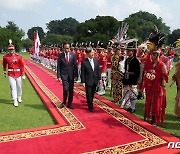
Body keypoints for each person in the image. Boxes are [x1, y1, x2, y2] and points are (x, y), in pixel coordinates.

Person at [143, 30, 168, 126]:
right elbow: (146, 64)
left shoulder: (162, 65)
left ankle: (156, 120)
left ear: (158, 55)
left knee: (157, 105)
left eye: (155, 54)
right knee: (149, 102)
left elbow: (163, 78)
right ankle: (149, 118)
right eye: (152, 54)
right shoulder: (151, 64)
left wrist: (162, 89)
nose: (153, 56)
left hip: (158, 87)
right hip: (150, 87)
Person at [121, 41, 140, 113]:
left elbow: (137, 72)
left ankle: (132, 107)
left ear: (133, 51)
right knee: (126, 93)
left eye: (129, 51)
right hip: (127, 79)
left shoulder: (136, 61)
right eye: (127, 51)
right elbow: (125, 70)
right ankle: (127, 106)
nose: (128, 52)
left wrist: (134, 80)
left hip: (133, 80)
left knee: (133, 95)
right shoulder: (127, 60)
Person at [57, 43, 78, 109]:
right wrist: (59, 76)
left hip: (71, 75)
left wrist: (76, 75)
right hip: (64, 75)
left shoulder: (73, 55)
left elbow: (75, 66)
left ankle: (70, 103)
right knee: (65, 89)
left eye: (68, 48)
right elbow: (58, 67)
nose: (67, 50)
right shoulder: (60, 55)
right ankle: (64, 101)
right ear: (63, 48)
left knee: (71, 90)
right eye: (66, 48)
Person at [81, 47, 101, 112]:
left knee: (92, 93)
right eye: (91, 52)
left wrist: (99, 79)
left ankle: (90, 102)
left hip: (95, 80)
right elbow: (83, 72)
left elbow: (98, 70)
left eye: (93, 52)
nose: (93, 54)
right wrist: (83, 81)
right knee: (88, 94)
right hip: (88, 80)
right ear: (87, 53)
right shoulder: (84, 62)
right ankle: (90, 106)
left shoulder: (96, 60)